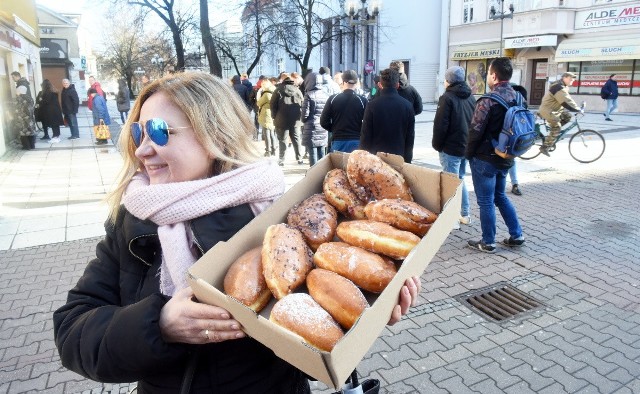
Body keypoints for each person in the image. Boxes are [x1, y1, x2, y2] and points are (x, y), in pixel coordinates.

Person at [52, 72, 420, 393]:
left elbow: (318, 316)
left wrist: (369, 314)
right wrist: (158, 324)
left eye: (159, 132)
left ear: (214, 135)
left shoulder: (280, 212)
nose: (143, 149)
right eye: (137, 132)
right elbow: (72, 331)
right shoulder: (132, 222)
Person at [465, 57, 525, 253]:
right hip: (507, 156)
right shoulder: (518, 96)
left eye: (489, 73)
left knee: (485, 200)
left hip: (485, 158)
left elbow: (475, 130)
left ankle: (488, 241)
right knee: (500, 196)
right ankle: (517, 235)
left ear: (494, 75)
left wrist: (469, 153)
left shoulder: (488, 101)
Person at [432, 66, 476, 228]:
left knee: (451, 183)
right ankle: (464, 213)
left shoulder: (447, 98)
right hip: (465, 146)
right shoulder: (471, 97)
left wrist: (437, 145)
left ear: (449, 81)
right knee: (460, 180)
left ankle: (453, 218)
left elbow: (441, 125)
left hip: (450, 148)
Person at [360, 68, 415, 163]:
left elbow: (366, 135)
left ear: (380, 85)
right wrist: (407, 160)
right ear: (397, 85)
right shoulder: (407, 106)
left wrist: (363, 158)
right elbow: (410, 137)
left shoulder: (372, 105)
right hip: (398, 157)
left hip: (376, 159)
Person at [319, 69, 367, 153]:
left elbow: (323, 121)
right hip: (356, 140)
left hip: (338, 139)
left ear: (343, 82)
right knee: (355, 166)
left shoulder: (333, 99)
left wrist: (334, 129)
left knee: (338, 165)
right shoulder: (362, 100)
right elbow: (368, 122)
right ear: (356, 83)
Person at [538, 72, 582, 156]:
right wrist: (577, 109)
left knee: (567, 116)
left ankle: (554, 133)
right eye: (570, 79)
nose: (572, 81)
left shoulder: (563, 86)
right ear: (564, 78)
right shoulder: (558, 87)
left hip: (554, 110)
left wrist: (576, 108)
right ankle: (545, 147)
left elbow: (567, 99)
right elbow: (566, 100)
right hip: (548, 110)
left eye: (573, 80)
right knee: (556, 128)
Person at [270, 74, 304, 166]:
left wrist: (274, 117)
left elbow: (272, 105)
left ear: (283, 81)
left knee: (282, 140)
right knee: (296, 140)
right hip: (296, 121)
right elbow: (302, 104)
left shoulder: (278, 90)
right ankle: (299, 158)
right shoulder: (297, 90)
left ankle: (281, 160)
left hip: (281, 120)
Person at [301, 72, 330, 166]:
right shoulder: (326, 94)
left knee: (312, 154)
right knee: (322, 153)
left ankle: (314, 175)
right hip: (322, 127)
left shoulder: (309, 95)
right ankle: (323, 175)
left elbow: (304, 115)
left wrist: (304, 120)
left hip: (311, 127)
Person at [13, 82, 36, 150]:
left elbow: (17, 109)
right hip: (30, 118)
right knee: (31, 131)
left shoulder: (19, 99)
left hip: (22, 118)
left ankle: (27, 146)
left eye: (17, 90)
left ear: (20, 91)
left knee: (24, 133)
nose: (16, 92)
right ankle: (32, 146)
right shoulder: (30, 98)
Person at [257, 78, 277, 157]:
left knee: (267, 133)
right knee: (272, 133)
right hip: (272, 113)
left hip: (266, 114)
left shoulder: (266, 94)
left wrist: (258, 97)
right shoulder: (274, 91)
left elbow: (259, 103)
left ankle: (268, 151)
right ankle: (274, 149)